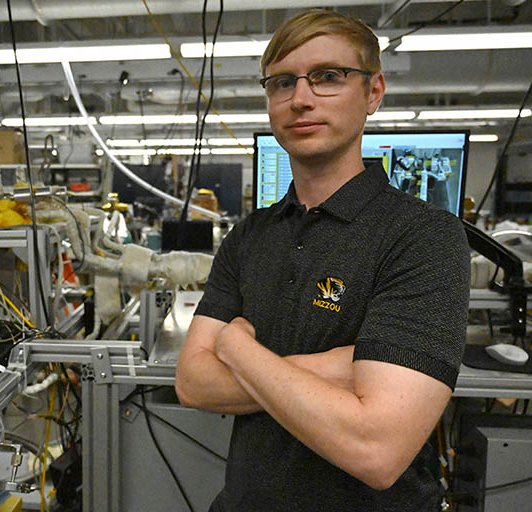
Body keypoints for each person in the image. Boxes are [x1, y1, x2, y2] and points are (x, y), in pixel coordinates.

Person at [175, 9, 470, 512]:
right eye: (282, 83)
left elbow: (376, 450)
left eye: (329, 77)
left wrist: (236, 346)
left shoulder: (424, 236)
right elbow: (192, 382)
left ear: (373, 92)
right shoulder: (249, 236)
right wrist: (344, 367)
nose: (301, 99)